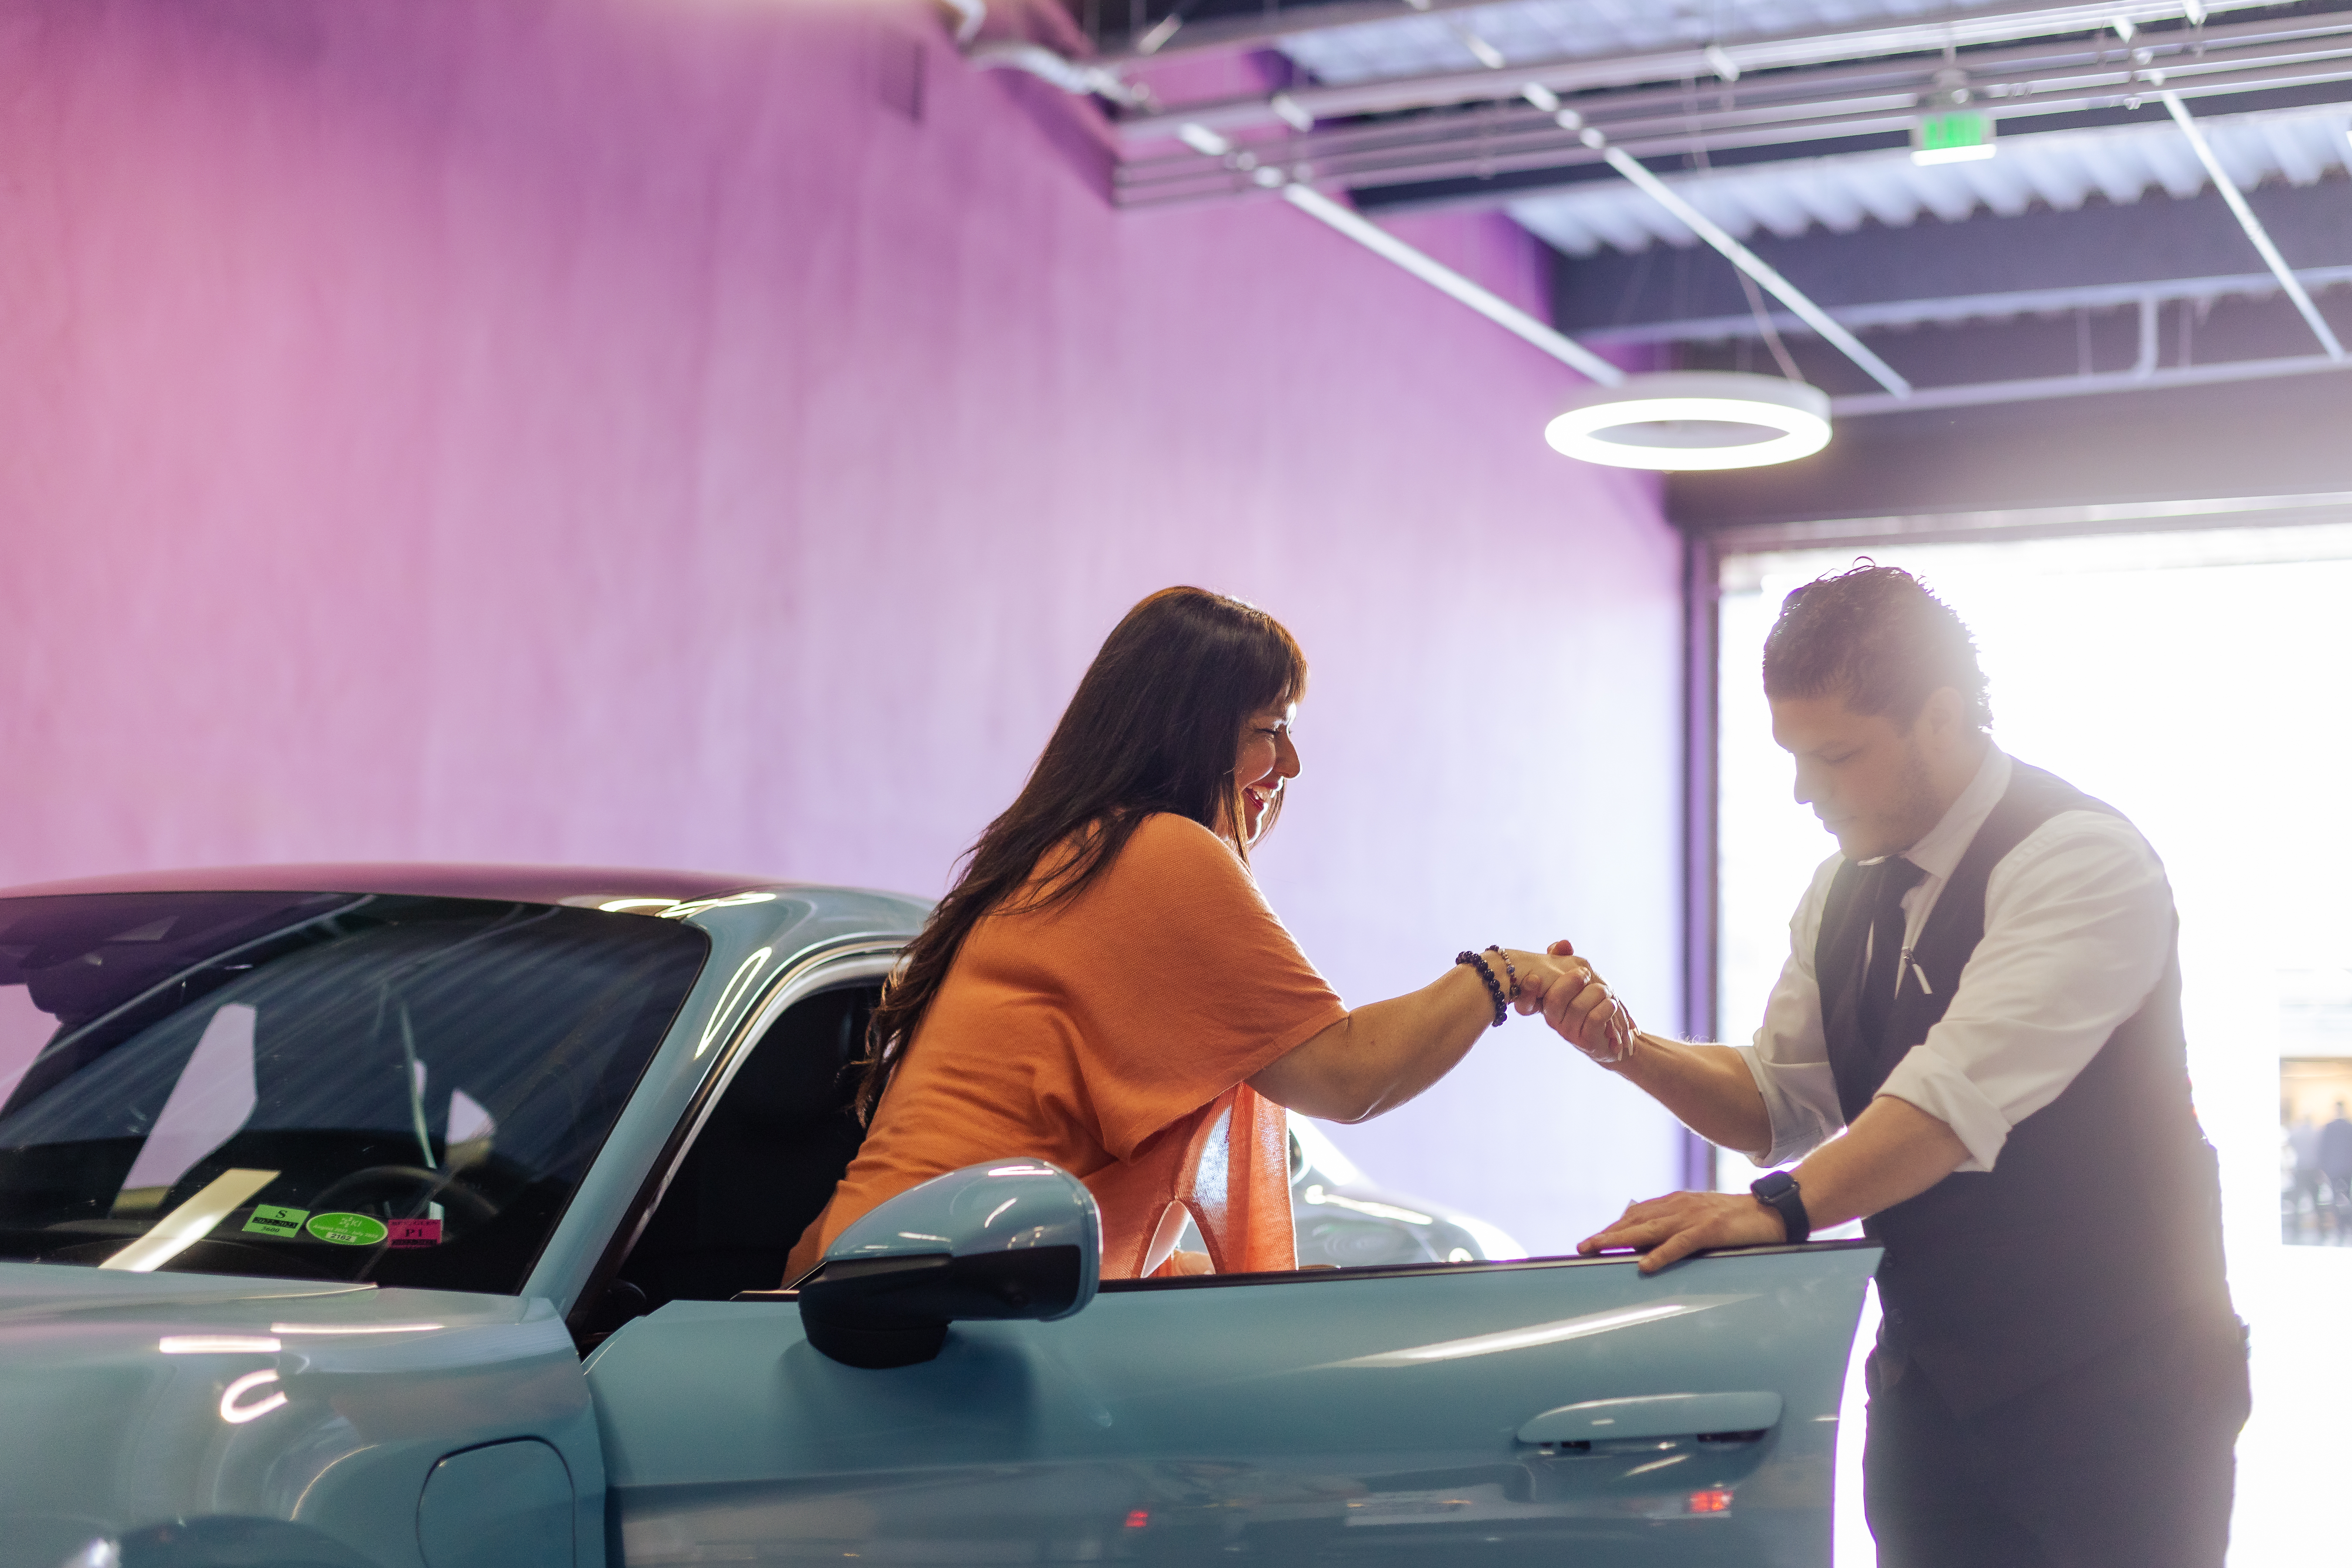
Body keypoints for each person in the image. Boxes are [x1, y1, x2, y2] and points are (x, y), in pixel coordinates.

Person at [1541, 564, 2246, 1568]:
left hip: (2122, 1387)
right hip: (1932, 1388)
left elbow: (1948, 1101)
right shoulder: (1841, 890)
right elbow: (1779, 1102)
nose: (1805, 791)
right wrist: (1627, 1047)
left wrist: (1774, 1211)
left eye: (1837, 755)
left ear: (1943, 718)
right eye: (1795, 756)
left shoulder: (2081, 859)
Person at [784, 586, 1585, 1282]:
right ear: (1187, 730)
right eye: (1270, 728)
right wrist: (1501, 974)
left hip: (889, 1287)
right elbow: (1349, 1074)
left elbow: (1112, 1201)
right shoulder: (1153, 852)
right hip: (903, 1310)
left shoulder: (1079, 852)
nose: (1292, 766)